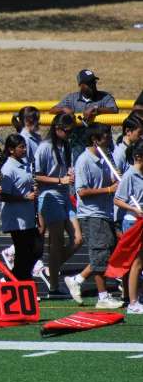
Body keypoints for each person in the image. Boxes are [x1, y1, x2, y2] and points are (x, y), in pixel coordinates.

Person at [64, 123, 123, 309]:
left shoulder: (105, 158)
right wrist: (108, 189)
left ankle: (77, 280)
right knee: (100, 254)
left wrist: (114, 180)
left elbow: (106, 182)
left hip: (105, 212)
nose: (109, 140)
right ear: (95, 139)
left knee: (107, 252)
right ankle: (102, 296)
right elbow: (81, 191)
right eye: (105, 137)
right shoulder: (84, 161)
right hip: (91, 214)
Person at [35, 113, 83, 296]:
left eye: (73, 131)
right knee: (57, 243)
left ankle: (49, 271)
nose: (71, 135)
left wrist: (69, 174)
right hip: (50, 197)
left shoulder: (66, 145)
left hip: (64, 196)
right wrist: (60, 180)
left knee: (78, 239)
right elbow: (36, 176)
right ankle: (53, 286)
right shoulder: (45, 148)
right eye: (69, 131)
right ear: (58, 129)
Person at [2, 106, 45, 273]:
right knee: (22, 253)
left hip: (27, 217)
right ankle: (16, 282)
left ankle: (19, 280)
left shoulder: (24, 165)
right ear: (11, 150)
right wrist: (24, 197)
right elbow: (4, 196)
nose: (25, 150)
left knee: (36, 250)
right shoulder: (8, 168)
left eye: (25, 147)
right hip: (16, 219)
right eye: (21, 147)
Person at [113, 139, 143, 313]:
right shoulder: (130, 175)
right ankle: (132, 303)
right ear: (138, 157)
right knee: (136, 263)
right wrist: (134, 209)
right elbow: (118, 199)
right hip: (133, 222)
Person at [50, 70, 119, 122]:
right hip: (77, 139)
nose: (92, 85)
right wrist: (63, 109)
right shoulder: (72, 98)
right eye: (88, 83)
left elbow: (114, 110)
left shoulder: (105, 96)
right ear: (80, 85)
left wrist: (95, 109)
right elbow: (52, 110)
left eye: (93, 82)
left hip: (100, 138)